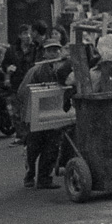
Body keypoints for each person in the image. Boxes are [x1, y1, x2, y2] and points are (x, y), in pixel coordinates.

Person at [16, 38, 71, 189]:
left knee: (51, 146)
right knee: (34, 147)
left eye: (56, 50)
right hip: (35, 113)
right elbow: (24, 92)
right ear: (44, 53)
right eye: (50, 50)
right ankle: (30, 176)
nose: (54, 53)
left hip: (50, 112)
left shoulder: (57, 67)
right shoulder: (40, 70)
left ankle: (44, 178)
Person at [2, 24, 39, 146]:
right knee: (17, 111)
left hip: (31, 83)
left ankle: (31, 135)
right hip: (16, 83)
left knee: (31, 109)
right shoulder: (12, 50)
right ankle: (20, 135)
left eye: (29, 33)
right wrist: (8, 68)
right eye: (24, 33)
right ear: (19, 35)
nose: (27, 36)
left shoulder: (36, 49)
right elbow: (4, 64)